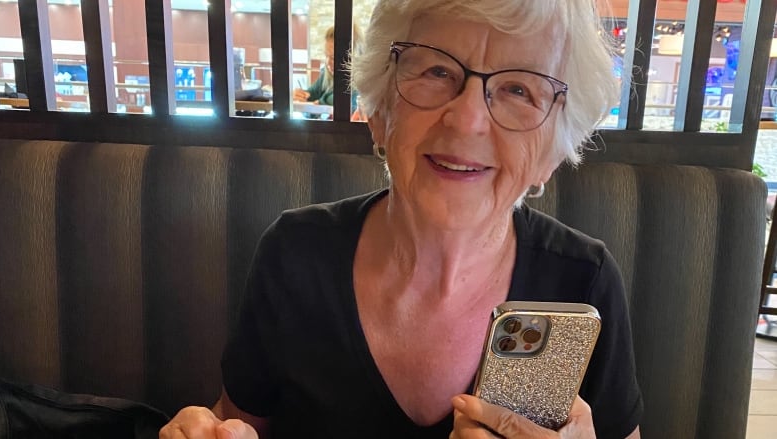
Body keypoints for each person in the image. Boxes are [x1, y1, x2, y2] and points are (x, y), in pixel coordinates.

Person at [160, 1, 643, 438]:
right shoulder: (295, 255)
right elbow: (237, 426)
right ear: (378, 110)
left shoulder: (584, 281)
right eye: (436, 70)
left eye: (519, 89)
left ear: (551, 154)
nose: (467, 119)